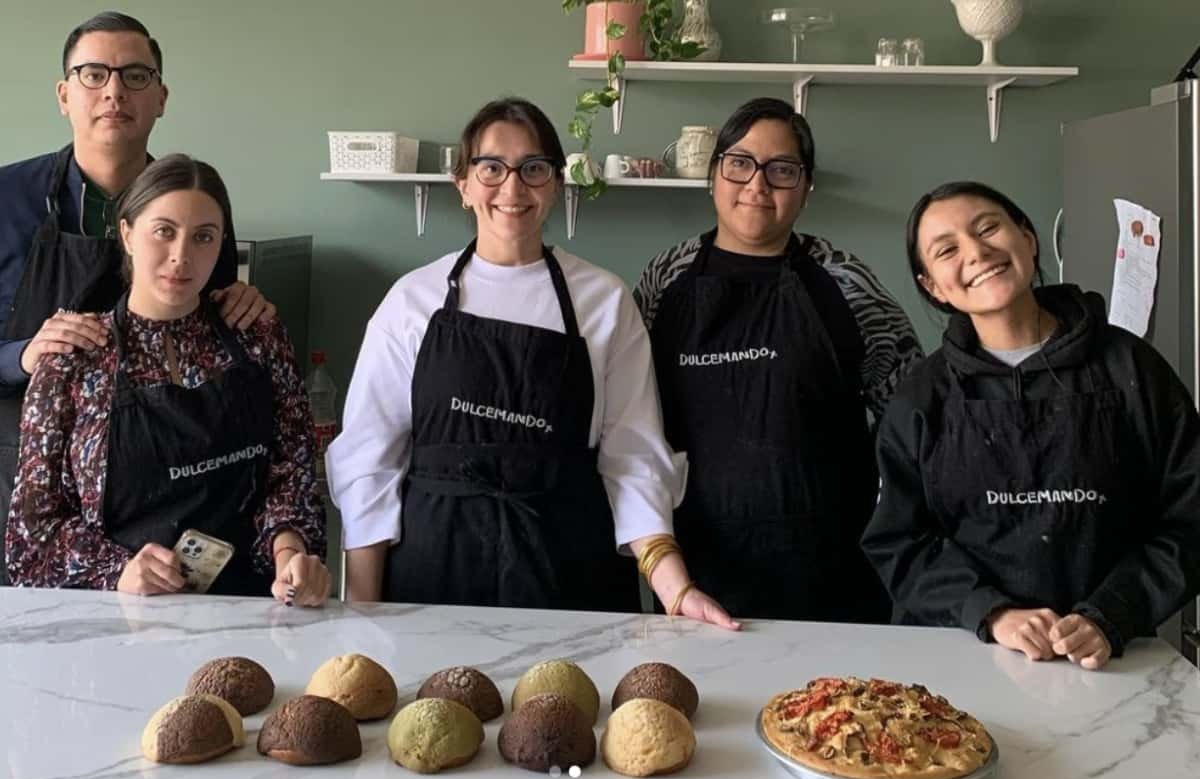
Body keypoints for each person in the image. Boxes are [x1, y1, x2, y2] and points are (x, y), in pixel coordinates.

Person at [328, 97, 737, 628]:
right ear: (463, 184)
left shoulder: (604, 300)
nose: (513, 187)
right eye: (491, 168)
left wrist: (676, 590)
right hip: (435, 575)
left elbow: (633, 458)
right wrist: (364, 615)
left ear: (556, 184)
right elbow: (370, 463)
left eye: (534, 168)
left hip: (568, 570)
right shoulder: (411, 302)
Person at [862, 180, 1200, 670]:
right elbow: (899, 542)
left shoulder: (1131, 368)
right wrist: (991, 612)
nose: (976, 253)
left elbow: (1190, 519)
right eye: (947, 249)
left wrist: (1112, 614)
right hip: (961, 658)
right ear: (932, 285)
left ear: (1028, 238)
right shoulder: (921, 396)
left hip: (1112, 659)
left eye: (989, 228)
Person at [0, 12, 273, 580]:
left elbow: (206, 326)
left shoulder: (192, 202)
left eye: (135, 76)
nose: (114, 92)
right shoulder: (6, 201)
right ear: (64, 94)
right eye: (93, 74)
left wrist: (242, 303)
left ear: (162, 96)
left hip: (156, 505)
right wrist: (22, 356)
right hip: (22, 487)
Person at [634, 97, 922, 622]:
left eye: (782, 170)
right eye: (740, 163)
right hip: (695, 571)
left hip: (834, 571)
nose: (757, 185)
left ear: (806, 187)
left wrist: (894, 530)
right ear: (714, 174)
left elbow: (912, 419)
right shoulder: (664, 279)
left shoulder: (847, 283)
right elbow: (632, 423)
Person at [5, 154, 329, 605]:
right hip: (119, 625)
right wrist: (118, 571)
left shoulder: (257, 337)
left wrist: (290, 552)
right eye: (164, 231)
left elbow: (290, 472)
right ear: (127, 234)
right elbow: (31, 538)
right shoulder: (74, 359)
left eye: (203, 237)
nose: (181, 256)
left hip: (252, 611)